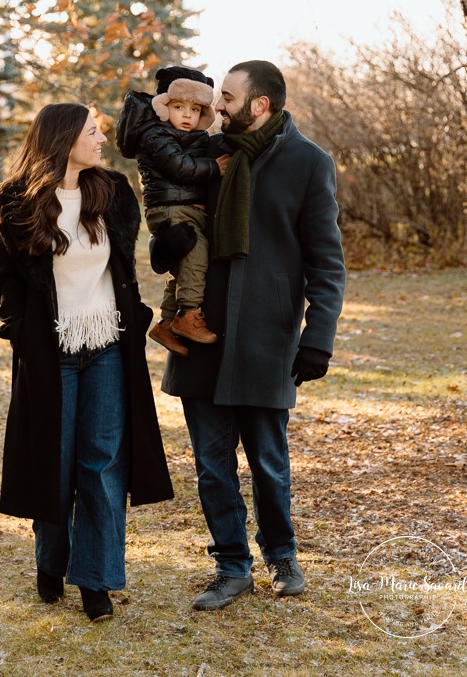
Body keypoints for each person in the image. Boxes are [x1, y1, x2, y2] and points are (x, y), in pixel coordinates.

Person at [160, 60, 346, 611]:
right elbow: (174, 218)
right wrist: (163, 248)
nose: (217, 107)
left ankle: (282, 556)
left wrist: (319, 338)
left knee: (269, 462)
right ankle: (230, 566)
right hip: (203, 336)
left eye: (228, 98)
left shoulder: (309, 164)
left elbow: (327, 263)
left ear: (259, 104)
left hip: (268, 339)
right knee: (211, 464)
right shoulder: (203, 155)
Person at [0, 103, 173, 623]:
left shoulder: (113, 192)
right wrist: (20, 333)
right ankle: (51, 563)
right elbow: (8, 282)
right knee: (56, 460)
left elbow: (124, 266)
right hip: (51, 352)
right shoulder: (18, 202)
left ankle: (96, 580)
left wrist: (134, 316)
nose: (101, 139)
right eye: (93, 131)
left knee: (103, 464)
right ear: (64, 138)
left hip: (108, 346)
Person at [116, 65, 230, 356]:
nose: (187, 115)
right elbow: (179, 167)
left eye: (194, 109)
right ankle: (189, 314)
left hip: (182, 208)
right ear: (163, 107)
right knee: (196, 254)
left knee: (183, 266)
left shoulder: (184, 135)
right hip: (170, 209)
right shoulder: (154, 134)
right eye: (179, 106)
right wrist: (214, 167)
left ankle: (167, 322)